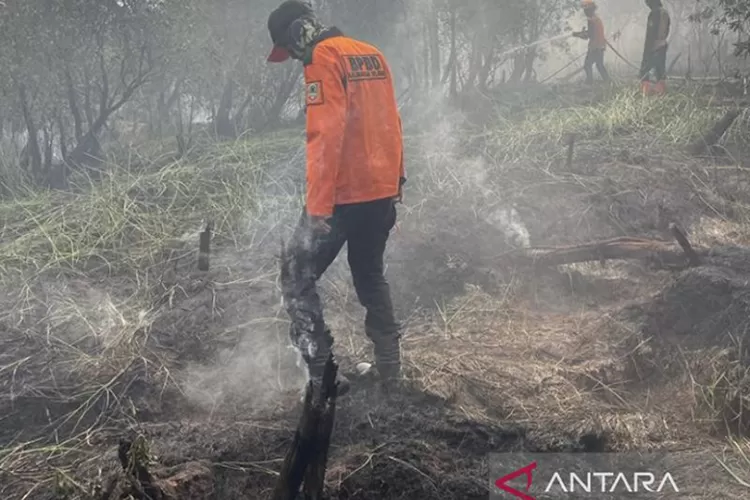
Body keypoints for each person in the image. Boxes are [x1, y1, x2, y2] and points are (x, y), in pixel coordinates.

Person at [266, 1, 405, 396]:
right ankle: (391, 375)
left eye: (289, 50)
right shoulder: (371, 53)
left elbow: (324, 139)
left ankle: (323, 374)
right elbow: (392, 121)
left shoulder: (322, 59)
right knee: (370, 275)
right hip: (380, 191)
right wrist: (398, 179)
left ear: (297, 34)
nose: (294, 59)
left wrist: (317, 210)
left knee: (294, 273)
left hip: (343, 195)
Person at [572, 0, 610, 84]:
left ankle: (589, 82)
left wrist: (577, 34)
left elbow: (589, 35)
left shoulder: (591, 20)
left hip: (595, 47)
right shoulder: (597, 19)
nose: (585, 12)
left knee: (587, 65)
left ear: (591, 10)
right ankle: (608, 82)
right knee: (599, 65)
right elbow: (591, 33)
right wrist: (581, 33)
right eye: (585, 10)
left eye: (586, 10)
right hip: (600, 46)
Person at [640, 0, 671, 94]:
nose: (647, 4)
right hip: (662, 45)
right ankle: (661, 94)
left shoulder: (654, 13)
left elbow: (650, 34)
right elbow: (667, 30)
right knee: (660, 71)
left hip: (654, 47)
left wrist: (646, 53)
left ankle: (646, 94)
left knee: (645, 71)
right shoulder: (665, 13)